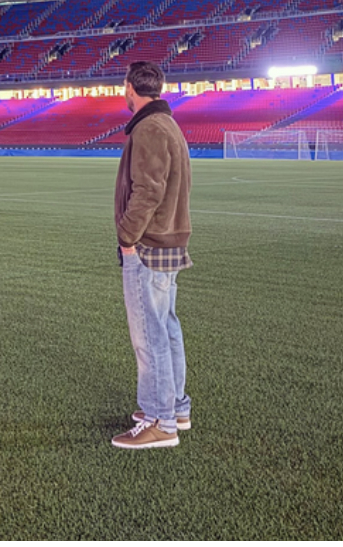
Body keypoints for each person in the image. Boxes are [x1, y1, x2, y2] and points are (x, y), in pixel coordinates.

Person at [111, 61, 194, 450]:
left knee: (150, 335)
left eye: (124, 86)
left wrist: (127, 236)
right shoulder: (168, 125)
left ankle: (161, 421)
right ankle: (175, 408)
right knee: (167, 328)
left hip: (149, 246)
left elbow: (148, 190)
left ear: (130, 87)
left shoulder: (148, 128)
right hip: (169, 242)